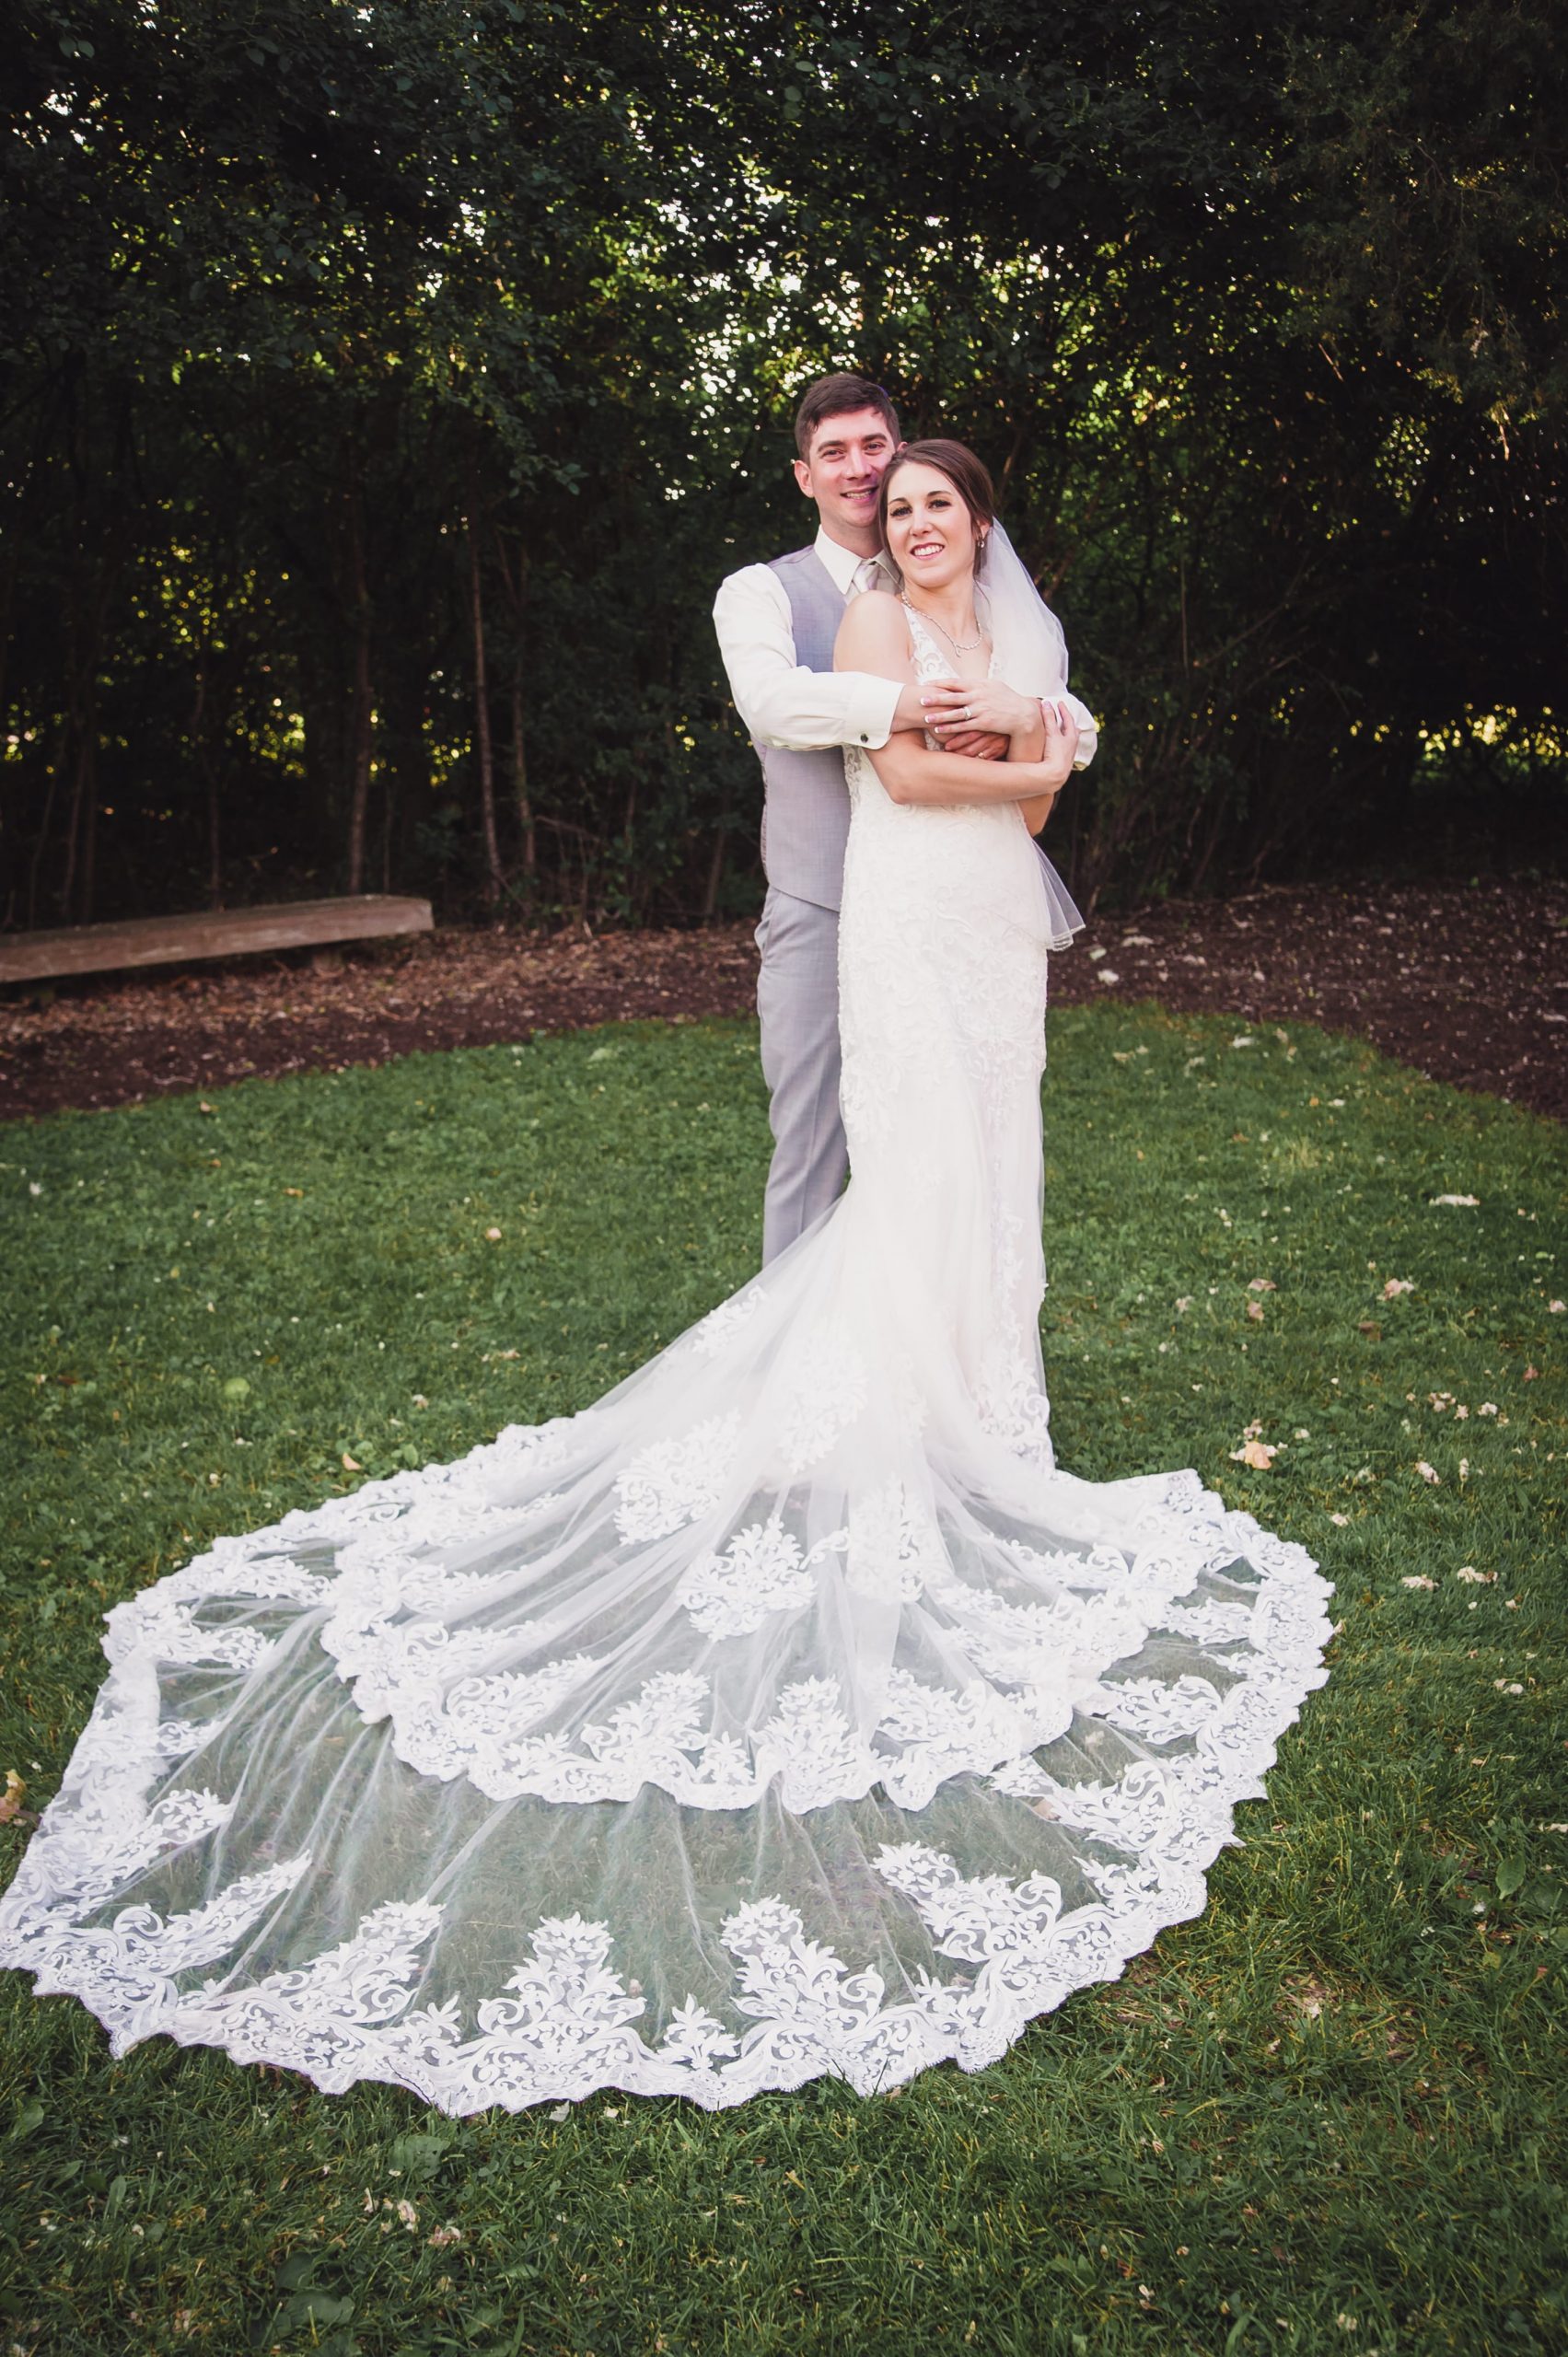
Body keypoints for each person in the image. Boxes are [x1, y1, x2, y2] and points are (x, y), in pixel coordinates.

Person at [0, 443, 1330, 2118]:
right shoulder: (859, 629)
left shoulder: (1012, 631)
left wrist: (1034, 740)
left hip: (999, 931)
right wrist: (1033, 747)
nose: (913, 521)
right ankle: (897, 1416)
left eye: (938, 504)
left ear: (977, 524)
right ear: (871, 521)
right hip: (909, 916)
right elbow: (914, 792)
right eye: (895, 503)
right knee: (910, 1173)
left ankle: (996, 1413)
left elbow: (1038, 804)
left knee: (999, 1171)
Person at [714, 373, 1097, 1264]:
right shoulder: (761, 593)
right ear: (803, 475)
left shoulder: (970, 598)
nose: (857, 469)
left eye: (872, 447)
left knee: (963, 1146)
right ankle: (800, 1383)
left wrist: (1045, 724)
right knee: (812, 1147)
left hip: (962, 905)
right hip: (824, 905)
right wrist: (962, 709)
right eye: (832, 453)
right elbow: (771, 703)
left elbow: (1057, 715)